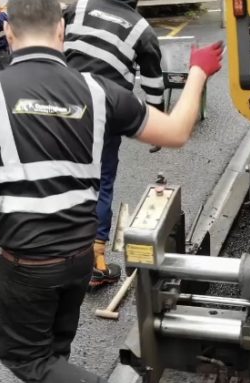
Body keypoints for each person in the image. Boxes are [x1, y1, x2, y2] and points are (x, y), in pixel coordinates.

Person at [0, 0, 223, 383]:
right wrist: (197, 73)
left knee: (29, 360)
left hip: (28, 264)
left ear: (9, 36)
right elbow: (177, 132)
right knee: (53, 355)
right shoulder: (100, 91)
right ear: (62, 30)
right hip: (80, 256)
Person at [63, 0, 166, 288]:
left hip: (62, 101)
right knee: (101, 181)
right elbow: (153, 84)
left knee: (59, 172)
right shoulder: (142, 29)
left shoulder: (78, 7)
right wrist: (156, 128)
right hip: (105, 111)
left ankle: (55, 255)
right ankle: (95, 263)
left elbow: (52, 42)